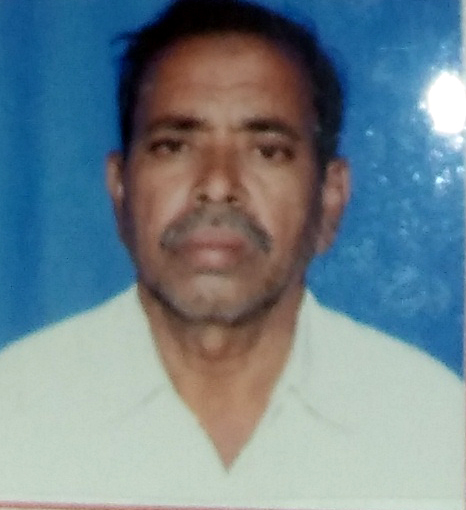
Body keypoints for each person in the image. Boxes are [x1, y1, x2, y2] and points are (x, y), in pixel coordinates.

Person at [0, 0, 463, 508]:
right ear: (119, 191)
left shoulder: (432, 426)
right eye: (174, 146)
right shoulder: (17, 407)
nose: (218, 185)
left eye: (268, 151)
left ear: (330, 200)